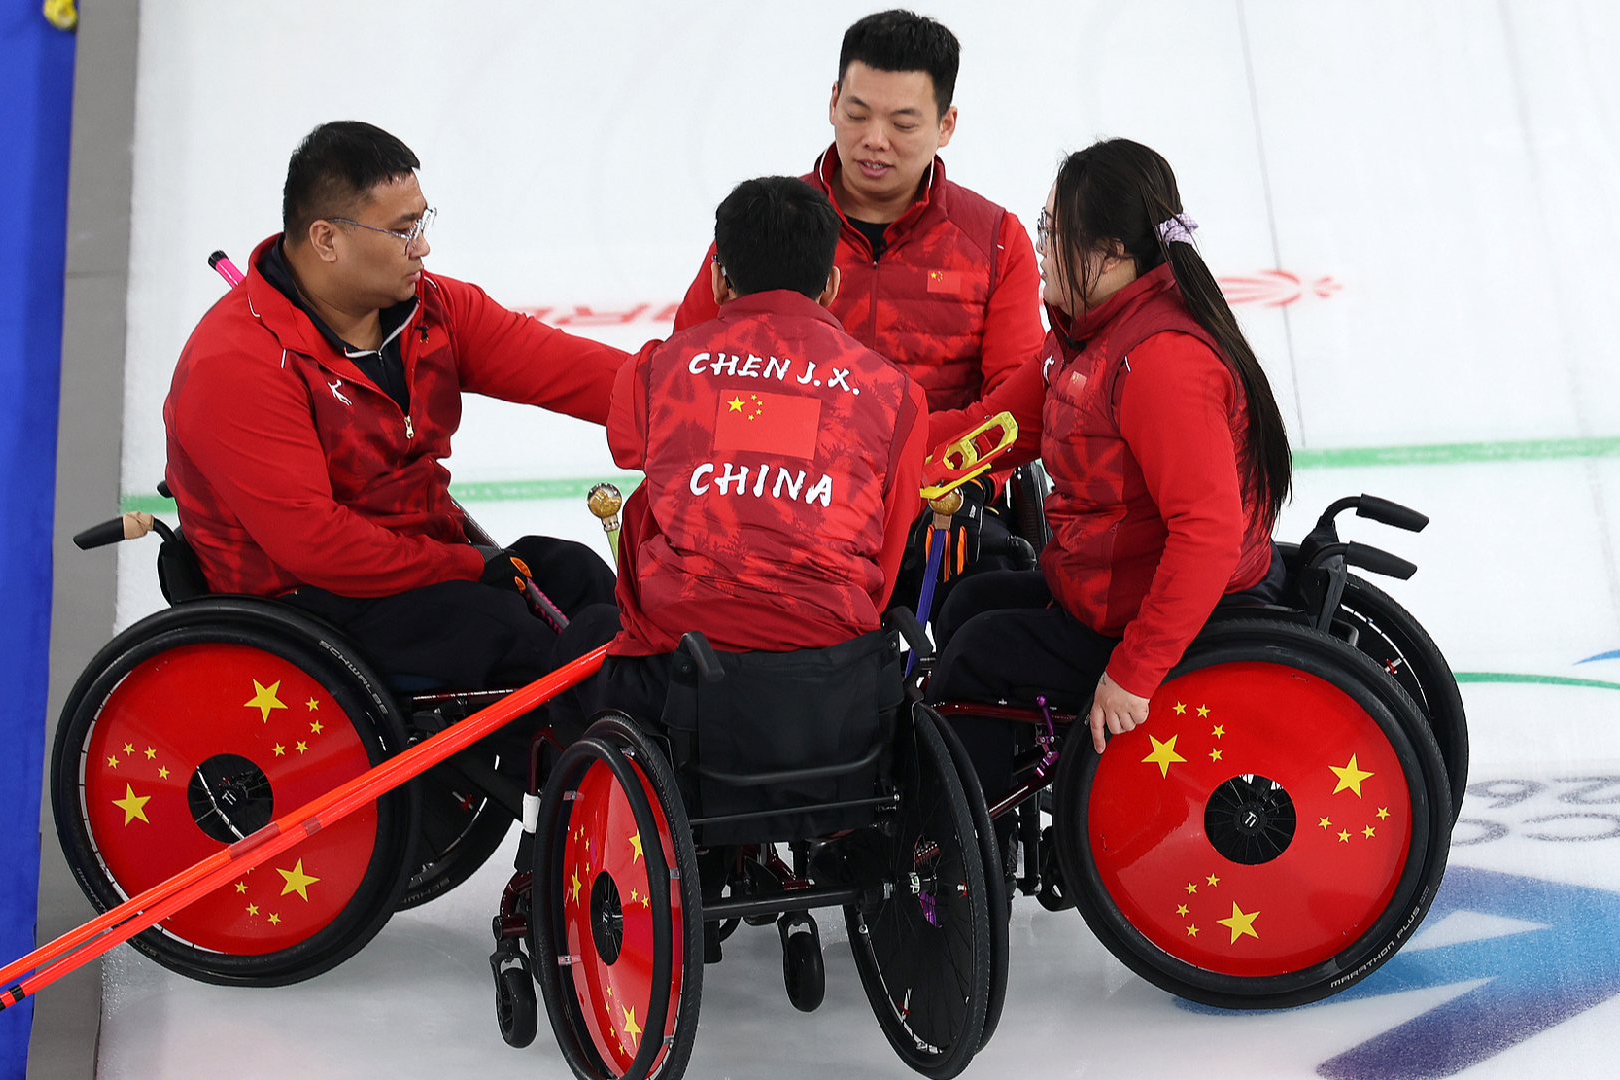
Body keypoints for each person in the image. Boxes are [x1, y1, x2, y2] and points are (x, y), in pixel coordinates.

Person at [163, 121, 624, 692]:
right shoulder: (235, 366)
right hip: (308, 603)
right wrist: (463, 565)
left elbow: (573, 371)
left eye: (422, 221)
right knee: (519, 637)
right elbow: (317, 547)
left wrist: (693, 399)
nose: (423, 246)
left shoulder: (431, 310)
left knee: (577, 576)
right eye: (403, 229)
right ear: (327, 239)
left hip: (420, 561)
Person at [921, 138, 1295, 805]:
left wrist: (1134, 673)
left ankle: (959, 868)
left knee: (974, 654)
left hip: (1170, 619)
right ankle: (1015, 788)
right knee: (965, 603)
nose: (1039, 247)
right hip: (1106, 587)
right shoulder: (1088, 335)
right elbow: (989, 432)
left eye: (1052, 232)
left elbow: (1208, 535)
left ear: (1113, 254)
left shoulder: (1159, 363)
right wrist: (865, 451)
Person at [668, 9, 1043, 607]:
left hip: (938, 510)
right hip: (774, 503)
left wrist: (913, 477)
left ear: (946, 125)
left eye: (903, 122)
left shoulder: (995, 242)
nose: (875, 139)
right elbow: (687, 376)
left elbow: (1016, 411)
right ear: (834, 99)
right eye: (858, 112)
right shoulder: (766, 223)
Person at [550, 175, 928, 732]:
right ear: (831, 286)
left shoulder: (659, 369)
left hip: (678, 673)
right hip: (829, 687)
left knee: (582, 637)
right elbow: (888, 553)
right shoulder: (896, 396)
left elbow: (628, 447)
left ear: (718, 280)